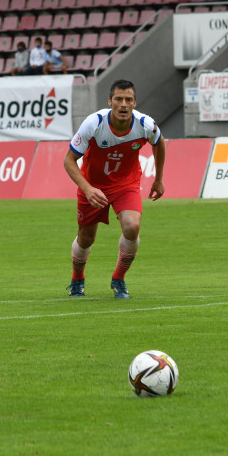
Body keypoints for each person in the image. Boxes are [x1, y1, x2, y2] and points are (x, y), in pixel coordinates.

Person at [63, 79, 166, 299]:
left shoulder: (145, 124)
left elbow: (159, 142)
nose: (123, 104)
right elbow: (69, 160)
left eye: (128, 100)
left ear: (135, 102)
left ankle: (119, 278)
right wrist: (87, 188)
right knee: (86, 238)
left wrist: (158, 179)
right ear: (110, 101)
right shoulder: (94, 123)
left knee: (132, 227)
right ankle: (77, 278)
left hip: (125, 184)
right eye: (118, 99)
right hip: (93, 186)